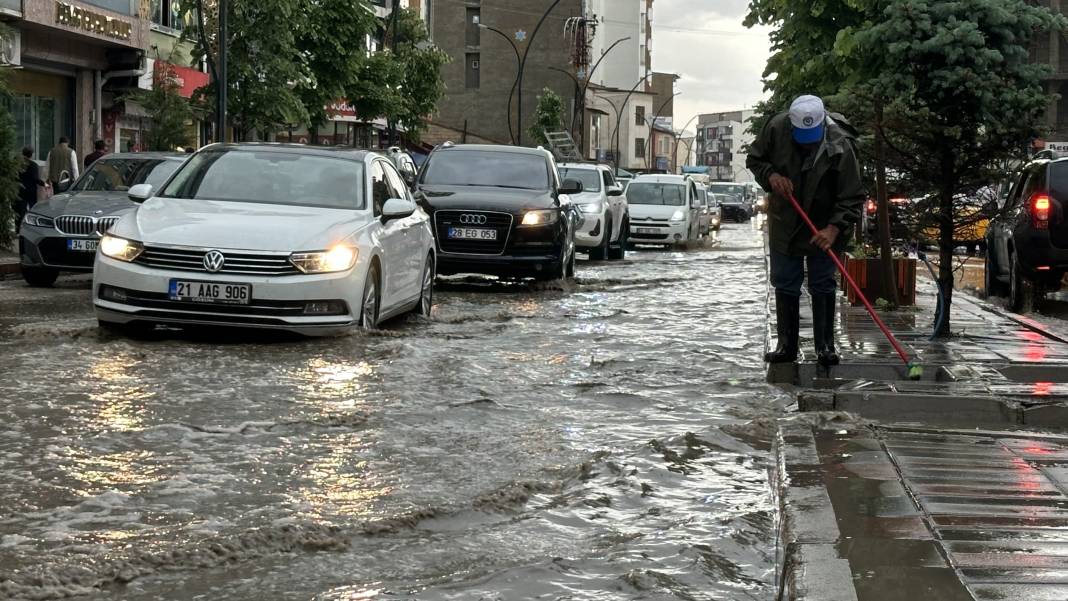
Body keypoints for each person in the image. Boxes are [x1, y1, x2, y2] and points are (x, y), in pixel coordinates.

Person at [747, 95, 865, 367]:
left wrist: (833, 229)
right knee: (785, 279)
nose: (807, 142)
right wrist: (772, 177)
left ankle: (825, 347)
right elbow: (756, 160)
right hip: (787, 217)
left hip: (826, 222)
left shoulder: (841, 146)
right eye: (802, 136)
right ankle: (786, 345)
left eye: (812, 136)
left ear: (823, 124)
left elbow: (852, 196)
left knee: (822, 281)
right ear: (791, 124)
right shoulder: (776, 129)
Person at [16, 146, 44, 227]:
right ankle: (31, 226)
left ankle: (18, 229)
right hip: (31, 191)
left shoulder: (17, 164)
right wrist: (44, 184)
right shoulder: (33, 165)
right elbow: (35, 179)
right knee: (32, 209)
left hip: (19, 190)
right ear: (31, 155)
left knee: (20, 210)